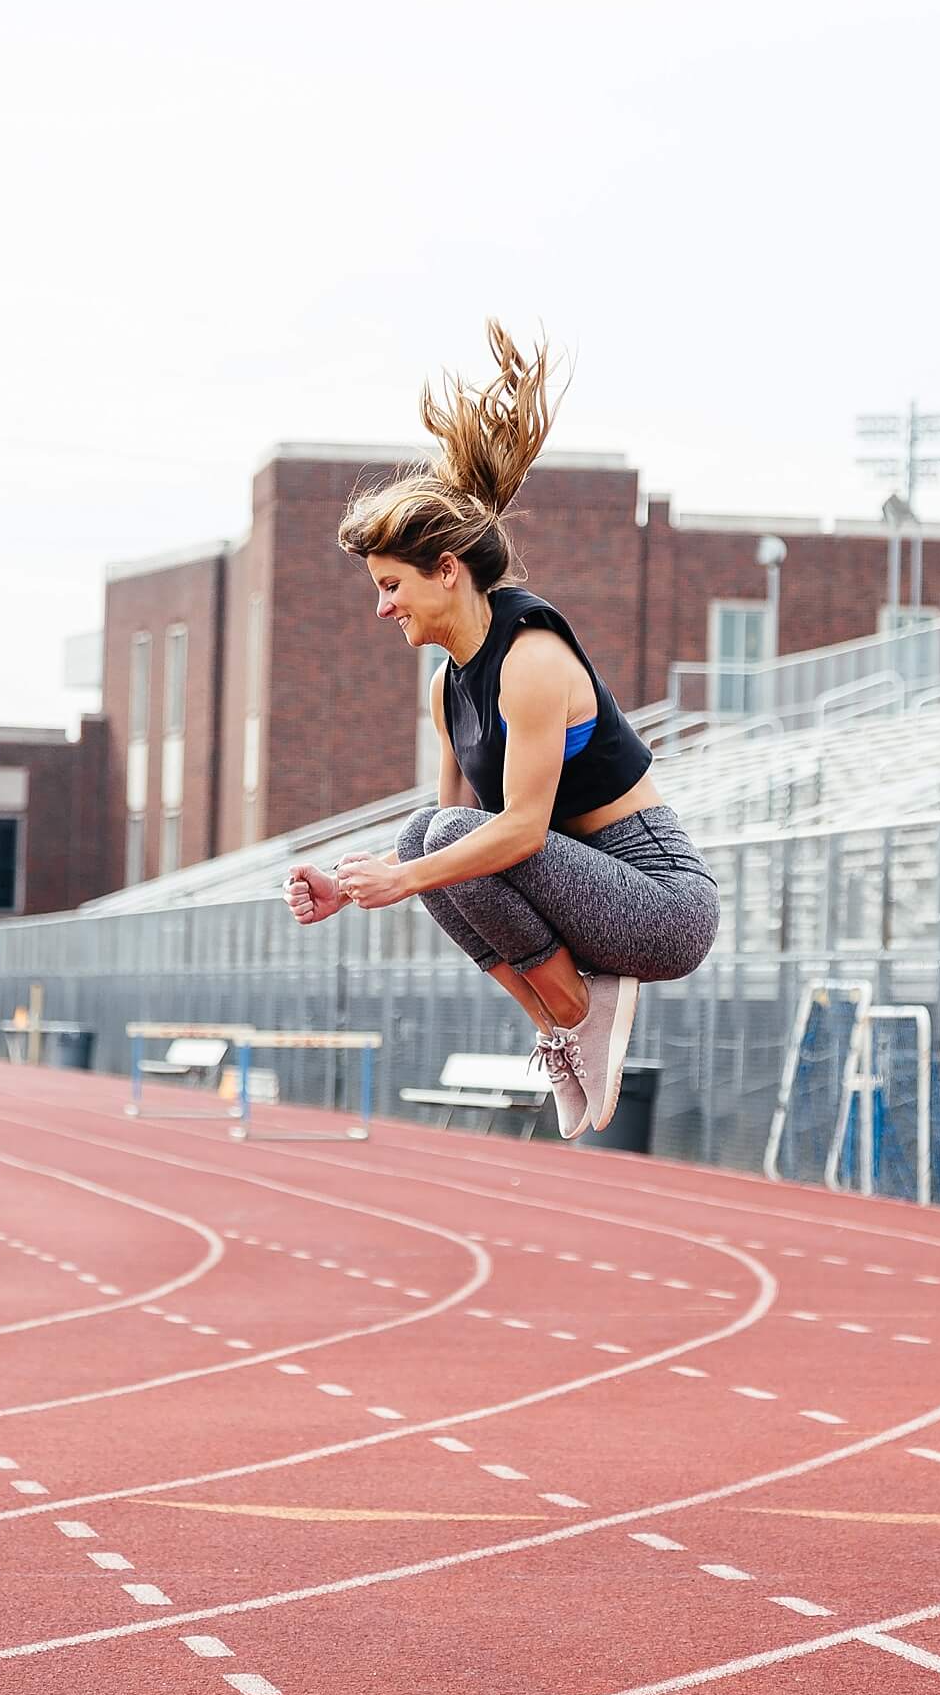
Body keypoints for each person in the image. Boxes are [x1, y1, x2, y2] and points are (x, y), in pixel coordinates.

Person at [282, 321, 721, 1137]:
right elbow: (445, 852)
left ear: (446, 570)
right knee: (427, 837)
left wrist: (405, 878)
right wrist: (352, 884)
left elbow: (515, 832)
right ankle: (563, 1023)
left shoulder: (532, 659)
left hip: (662, 904)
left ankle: (576, 1007)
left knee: (437, 840)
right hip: (584, 892)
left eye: (390, 585)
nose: (382, 608)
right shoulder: (448, 688)